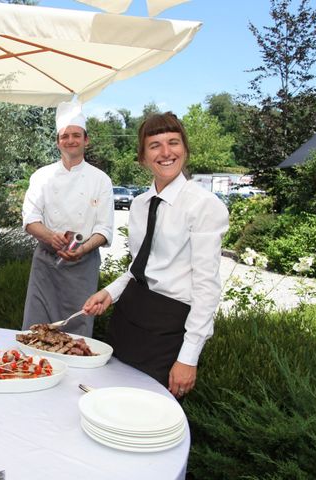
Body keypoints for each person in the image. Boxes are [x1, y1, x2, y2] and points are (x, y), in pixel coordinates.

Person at [83, 112, 229, 399]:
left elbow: (207, 287)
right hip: (128, 317)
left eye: (173, 142)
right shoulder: (139, 205)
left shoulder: (204, 207)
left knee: (149, 412)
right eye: (155, 145)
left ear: (185, 149)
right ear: (142, 157)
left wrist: (188, 357)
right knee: (110, 400)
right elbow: (139, 267)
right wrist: (111, 293)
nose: (166, 152)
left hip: (169, 326)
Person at [21, 101, 114, 337]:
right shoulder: (41, 176)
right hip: (45, 262)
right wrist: (52, 237)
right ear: (57, 141)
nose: (70, 140)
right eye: (65, 136)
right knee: (35, 327)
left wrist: (81, 249)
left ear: (86, 140)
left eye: (76, 135)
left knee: (77, 329)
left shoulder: (100, 180)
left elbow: (104, 229)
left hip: (83, 266)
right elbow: (30, 219)